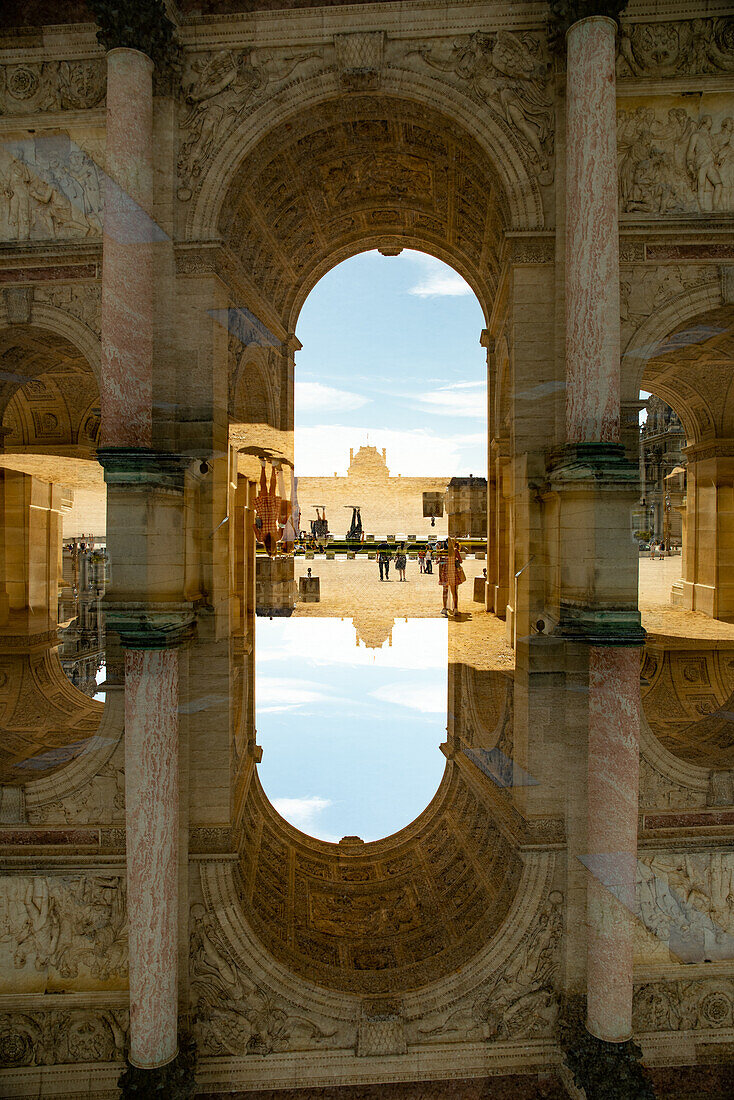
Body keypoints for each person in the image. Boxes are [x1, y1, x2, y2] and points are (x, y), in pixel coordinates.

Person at [438, 536, 465, 616]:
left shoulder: (442, 551)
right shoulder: (455, 551)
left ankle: (444, 608)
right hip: (453, 572)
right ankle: (455, 609)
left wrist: (440, 574)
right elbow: (460, 561)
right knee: (454, 592)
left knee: (445, 592)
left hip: (445, 573)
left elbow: (440, 563)